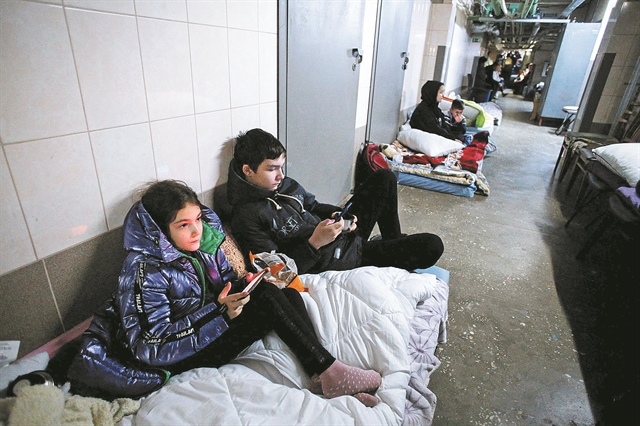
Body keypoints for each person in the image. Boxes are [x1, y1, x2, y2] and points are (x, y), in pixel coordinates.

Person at [109, 179, 382, 406]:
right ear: (159, 232)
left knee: (280, 291)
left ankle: (321, 372)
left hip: (208, 325)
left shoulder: (202, 243)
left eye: (197, 219)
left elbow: (223, 284)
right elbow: (152, 345)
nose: (196, 230)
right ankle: (328, 370)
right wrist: (219, 313)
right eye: (183, 225)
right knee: (265, 296)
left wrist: (243, 285)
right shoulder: (144, 271)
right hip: (178, 358)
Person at [226, 128, 444, 275]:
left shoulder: (283, 185)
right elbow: (277, 273)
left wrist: (338, 215)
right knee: (431, 246)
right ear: (248, 170)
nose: (280, 176)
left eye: (281, 167)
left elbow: (313, 206)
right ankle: (386, 253)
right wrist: (315, 243)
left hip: (342, 235)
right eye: (272, 169)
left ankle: (391, 242)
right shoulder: (246, 217)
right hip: (338, 259)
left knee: (384, 178)